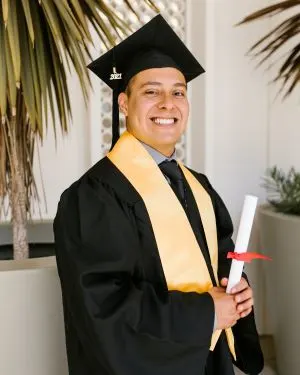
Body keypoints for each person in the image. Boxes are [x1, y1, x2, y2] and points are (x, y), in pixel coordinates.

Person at [54, 14, 264, 375]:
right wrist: (206, 312)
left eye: (178, 91)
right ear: (123, 103)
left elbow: (220, 258)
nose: (168, 103)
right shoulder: (92, 197)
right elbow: (102, 306)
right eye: (152, 91)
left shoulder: (197, 185)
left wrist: (237, 290)